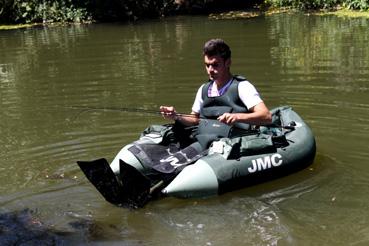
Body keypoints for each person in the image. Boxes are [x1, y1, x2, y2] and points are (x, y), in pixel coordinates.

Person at [160, 38, 272, 138]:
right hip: (204, 142)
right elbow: (194, 120)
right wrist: (176, 116)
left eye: (215, 65)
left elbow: (266, 116)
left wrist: (237, 117)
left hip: (233, 145)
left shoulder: (242, 87)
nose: (210, 70)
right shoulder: (203, 89)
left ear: (228, 62)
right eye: (207, 65)